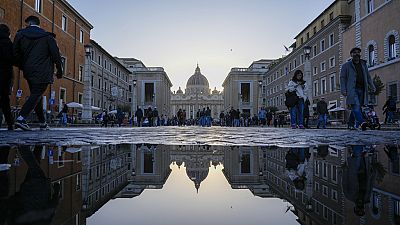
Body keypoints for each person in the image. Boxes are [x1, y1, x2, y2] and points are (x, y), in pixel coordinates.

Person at [13, 16, 63, 131]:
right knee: (36, 94)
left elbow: (15, 54)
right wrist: (60, 70)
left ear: (29, 24)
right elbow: (56, 55)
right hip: (43, 71)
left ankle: (42, 122)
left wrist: (23, 66)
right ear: (38, 24)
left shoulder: (20, 35)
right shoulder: (47, 37)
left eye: (27, 24)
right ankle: (21, 118)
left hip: (28, 71)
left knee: (36, 95)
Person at [340, 47, 376, 130]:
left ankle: (350, 123)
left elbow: (368, 76)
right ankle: (362, 122)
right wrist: (343, 89)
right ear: (351, 55)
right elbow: (343, 78)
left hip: (362, 89)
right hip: (352, 90)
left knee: (356, 108)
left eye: (358, 52)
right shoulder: (346, 65)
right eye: (354, 52)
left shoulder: (363, 64)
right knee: (356, 107)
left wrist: (372, 86)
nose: (356, 54)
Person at [0, 24, 14, 130]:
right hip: (5, 74)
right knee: (5, 100)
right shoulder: (9, 44)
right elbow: (13, 59)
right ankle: (10, 123)